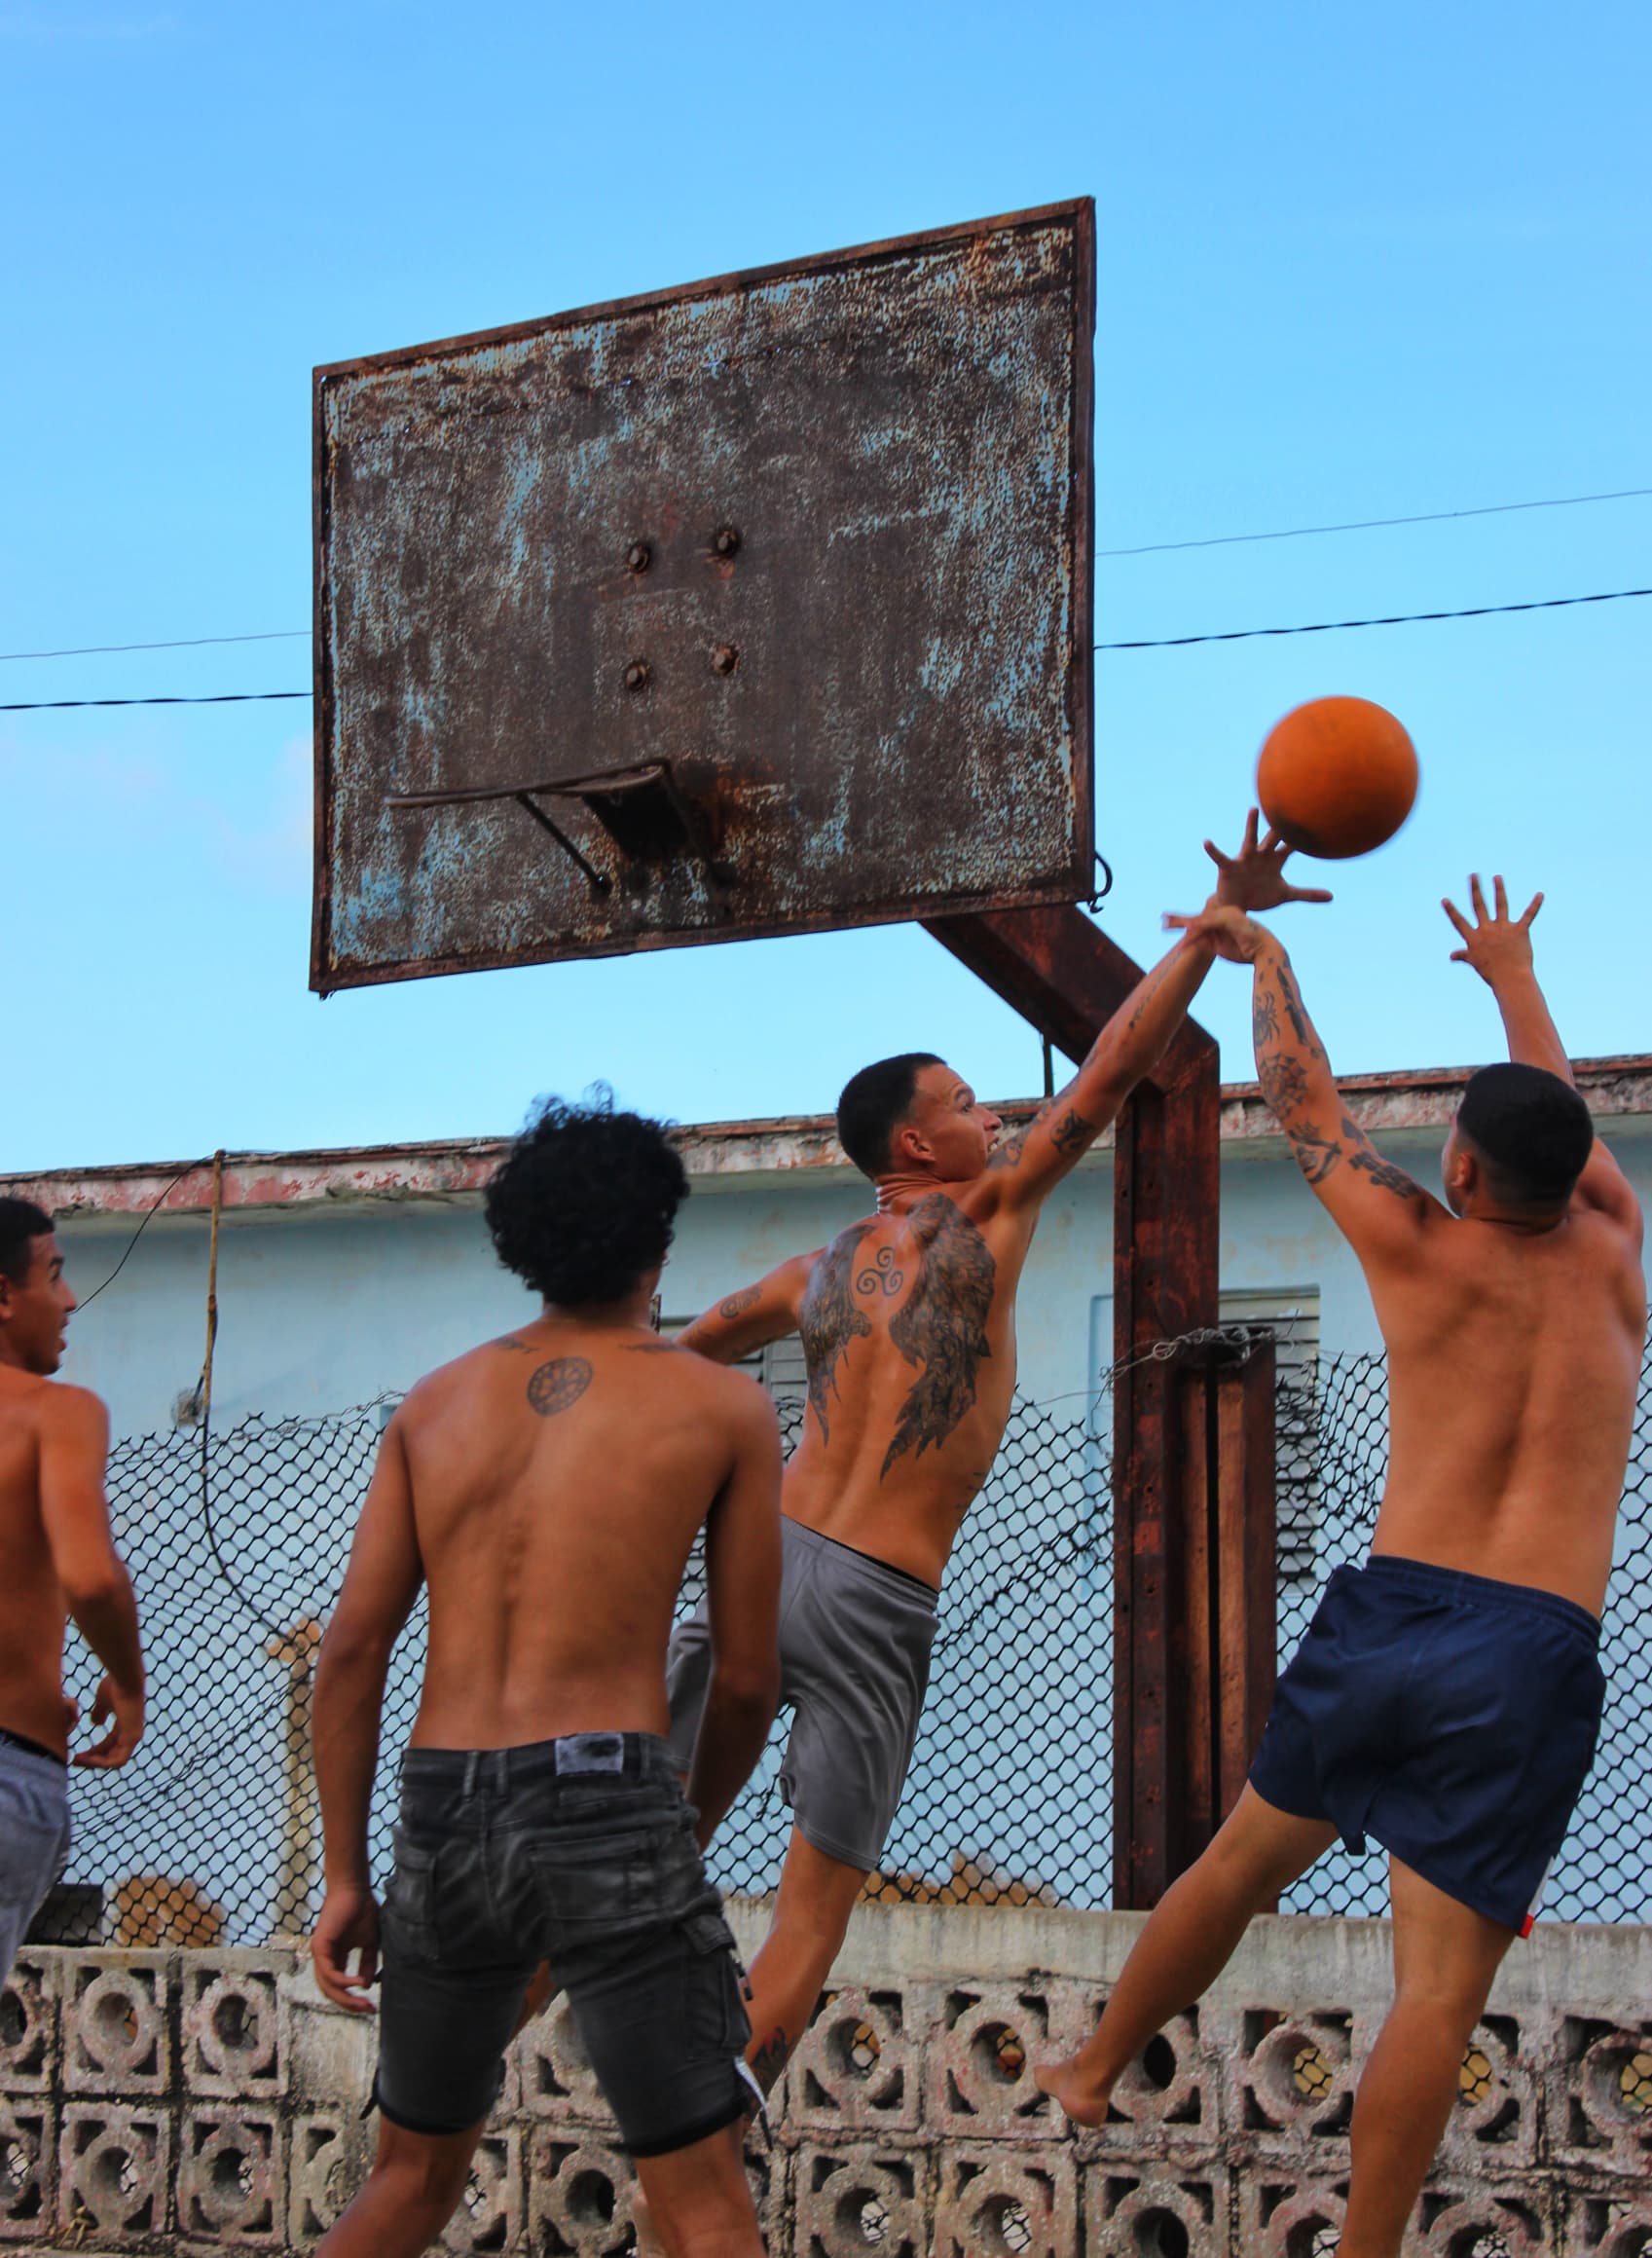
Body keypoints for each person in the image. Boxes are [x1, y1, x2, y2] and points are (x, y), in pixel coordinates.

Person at [1037, 870, 1645, 2258]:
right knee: (1435, 1995)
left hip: (1395, 1612)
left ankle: (1092, 2067)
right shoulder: (1616, 1260)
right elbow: (1565, 1124)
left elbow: (1303, 1101)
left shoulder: (1416, 1244)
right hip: (1530, 1645)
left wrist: (1255, 947)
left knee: (1237, 1865)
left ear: (1464, 1167)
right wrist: (1513, 981)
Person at [667, 820, 1327, 2099]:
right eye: (966, 1102)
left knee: (643, 1850)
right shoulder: (991, 1212)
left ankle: (459, 2062)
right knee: (811, 1913)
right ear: (916, 1146)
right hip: (870, 1595)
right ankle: (708, 2123)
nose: (993, 1112)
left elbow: (682, 1349)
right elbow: (1115, 1065)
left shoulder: (813, 1274)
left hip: (765, 1558)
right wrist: (1208, 924)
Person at [308, 1097, 784, 2258]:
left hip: (442, 1806)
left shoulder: (433, 1407)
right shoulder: (720, 1403)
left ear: (522, 1242)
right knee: (703, 2198)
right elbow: (742, 1681)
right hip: (609, 1795)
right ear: (659, 1241)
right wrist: (687, 1818)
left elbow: (353, 1651)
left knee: (410, 2178)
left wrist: (341, 1872)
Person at [0, 1198, 146, 1983]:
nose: (68, 1299)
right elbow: (89, 1575)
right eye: (53, 1274)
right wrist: (127, 1679)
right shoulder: (56, 1414)